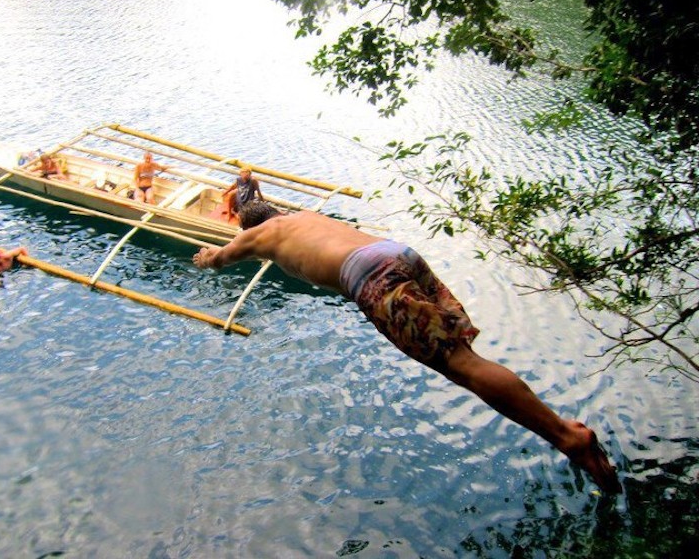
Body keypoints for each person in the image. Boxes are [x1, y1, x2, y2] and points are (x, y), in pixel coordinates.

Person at [193, 201, 621, 493]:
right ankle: (565, 433)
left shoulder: (258, 235)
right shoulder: (304, 216)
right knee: (461, 354)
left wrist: (209, 255)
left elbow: (223, 258)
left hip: (372, 277)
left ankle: (569, 437)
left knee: (462, 366)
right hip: (396, 253)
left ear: (254, 225)